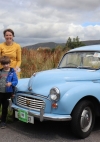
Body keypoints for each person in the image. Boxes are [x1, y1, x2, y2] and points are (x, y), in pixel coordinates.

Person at [0, 56, 18, 128]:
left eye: (7, 64)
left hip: (7, 93)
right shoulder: (0, 71)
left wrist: (11, 83)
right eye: (4, 64)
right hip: (0, 92)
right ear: (2, 64)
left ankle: (3, 122)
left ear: (10, 63)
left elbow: (16, 81)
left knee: (5, 107)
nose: (6, 65)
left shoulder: (12, 72)